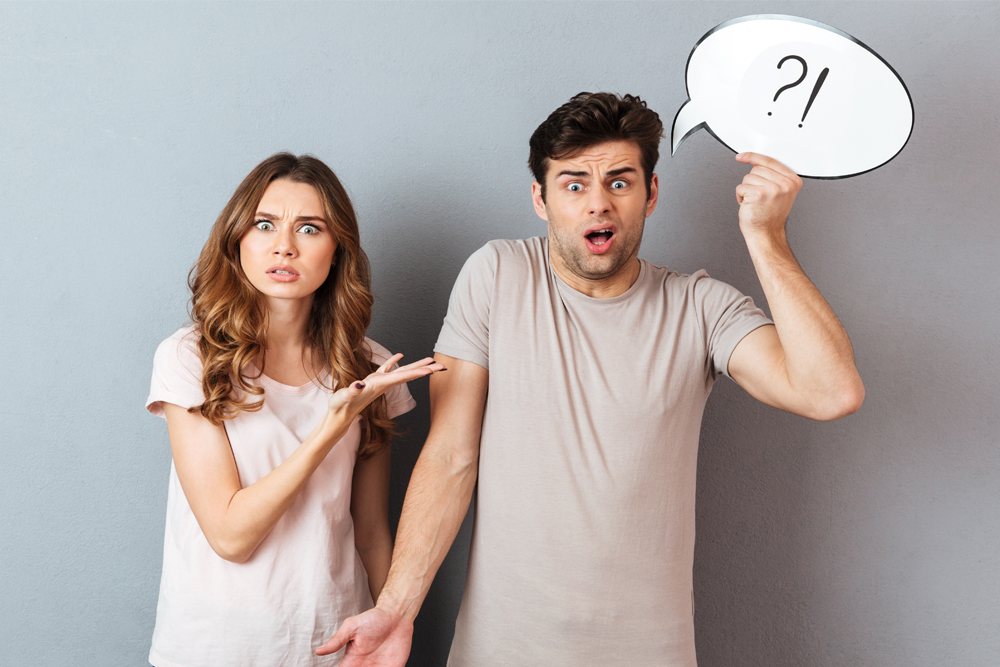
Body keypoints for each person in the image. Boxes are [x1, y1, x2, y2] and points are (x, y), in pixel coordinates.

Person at [319, 92, 865, 666]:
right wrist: (397, 607)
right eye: (574, 184)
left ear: (651, 195)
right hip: (502, 651)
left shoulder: (700, 307)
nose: (598, 204)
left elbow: (831, 392)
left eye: (620, 183)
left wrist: (766, 236)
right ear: (541, 198)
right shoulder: (496, 275)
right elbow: (451, 454)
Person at [145, 153, 444, 667]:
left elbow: (371, 530)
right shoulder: (189, 357)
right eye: (265, 224)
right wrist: (330, 427)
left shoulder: (370, 365)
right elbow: (230, 535)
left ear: (337, 251)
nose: (284, 245)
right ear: (237, 239)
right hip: (214, 647)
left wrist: (388, 629)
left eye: (309, 228)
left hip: (334, 643)